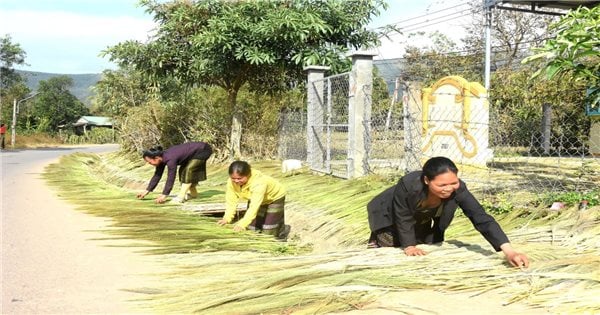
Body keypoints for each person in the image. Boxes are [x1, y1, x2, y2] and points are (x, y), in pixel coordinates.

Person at [367, 156, 529, 268]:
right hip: (388, 212)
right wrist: (409, 246)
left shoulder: (458, 189)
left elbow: (481, 217)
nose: (449, 189)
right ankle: (376, 242)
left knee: (427, 244)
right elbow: (402, 216)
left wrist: (509, 252)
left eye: (454, 182)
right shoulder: (409, 185)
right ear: (426, 180)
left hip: (420, 216)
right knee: (394, 246)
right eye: (442, 185)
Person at [217, 161, 287, 237]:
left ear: (248, 175)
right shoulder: (231, 182)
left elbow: (254, 207)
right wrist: (227, 218)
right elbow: (231, 202)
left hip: (274, 197)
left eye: (239, 178)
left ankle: (275, 241)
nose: (236, 181)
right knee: (252, 227)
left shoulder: (259, 182)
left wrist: (242, 224)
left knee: (269, 228)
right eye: (233, 178)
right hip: (256, 198)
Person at [137, 141, 212, 204]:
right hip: (194, 153)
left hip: (203, 150)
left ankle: (181, 197)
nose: (149, 164)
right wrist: (146, 191)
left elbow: (171, 178)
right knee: (183, 172)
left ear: (156, 158)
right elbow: (157, 175)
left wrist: (165, 195)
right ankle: (193, 195)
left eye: (150, 162)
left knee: (188, 171)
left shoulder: (170, 159)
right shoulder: (161, 159)